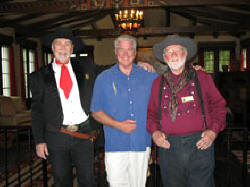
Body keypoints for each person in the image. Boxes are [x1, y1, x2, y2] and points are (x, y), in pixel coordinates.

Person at [30, 28, 155, 187]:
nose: (63, 48)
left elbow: (111, 68)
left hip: (84, 135)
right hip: (57, 134)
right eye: (59, 44)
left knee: (88, 179)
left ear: (72, 48)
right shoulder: (38, 76)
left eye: (67, 44)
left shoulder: (85, 66)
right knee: (61, 180)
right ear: (53, 48)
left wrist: (136, 63)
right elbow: (37, 111)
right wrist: (39, 141)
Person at [146, 34, 227, 187]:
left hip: (200, 144)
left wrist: (213, 132)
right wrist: (155, 133)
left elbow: (219, 106)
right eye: (169, 52)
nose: (173, 55)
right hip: (168, 146)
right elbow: (151, 113)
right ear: (164, 57)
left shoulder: (201, 77)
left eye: (178, 50)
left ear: (185, 54)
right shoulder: (157, 83)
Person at [90, 34, 158, 187]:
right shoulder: (103, 78)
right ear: (116, 52)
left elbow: (162, 102)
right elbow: (95, 111)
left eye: (130, 50)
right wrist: (118, 125)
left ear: (135, 53)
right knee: (116, 184)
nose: (125, 54)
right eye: (121, 50)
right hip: (115, 144)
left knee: (138, 184)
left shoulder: (150, 77)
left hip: (141, 143)